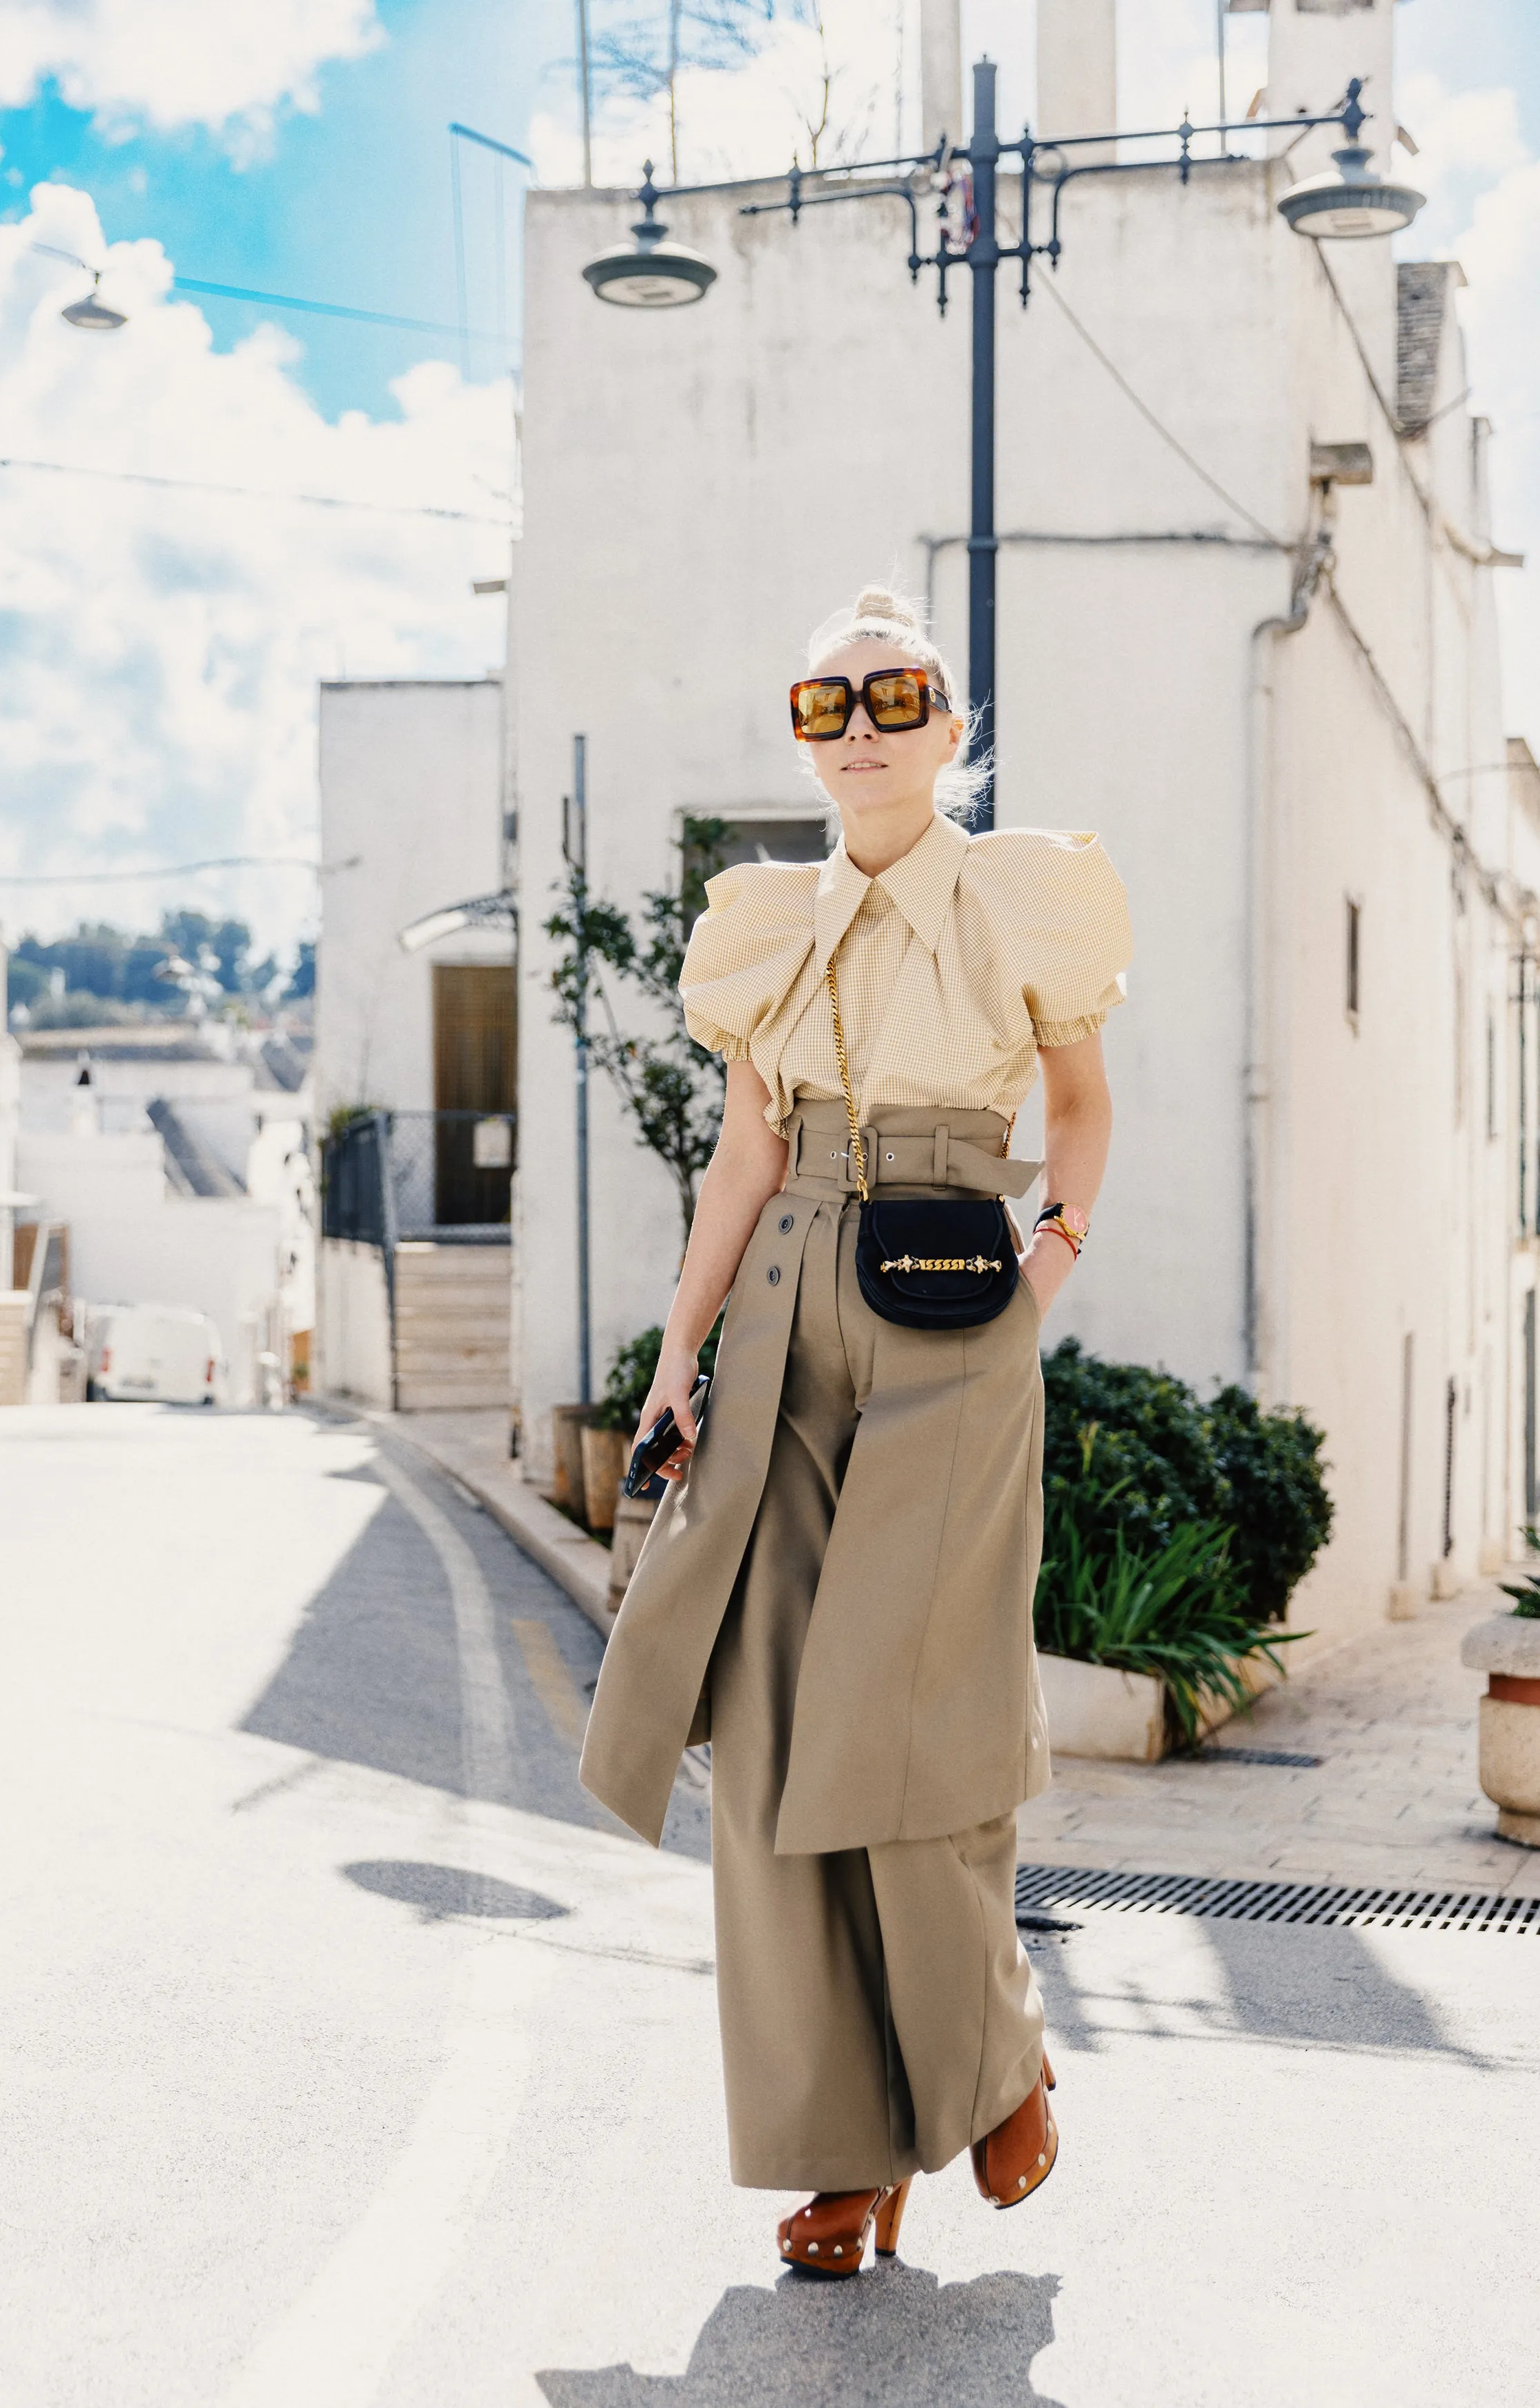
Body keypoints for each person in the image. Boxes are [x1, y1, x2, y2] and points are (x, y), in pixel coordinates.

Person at [579, 584, 1131, 2275]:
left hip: (959, 1306)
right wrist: (680, 1354)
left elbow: (1082, 1101)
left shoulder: (1025, 895)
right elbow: (744, 1155)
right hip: (788, 1306)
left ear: (953, 727)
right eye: (830, 706)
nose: (865, 728)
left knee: (907, 1717)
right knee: (768, 1737)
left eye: (897, 699)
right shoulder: (763, 921)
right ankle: (847, 2155)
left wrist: (1051, 1264)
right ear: (805, 739)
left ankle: (992, 2052)